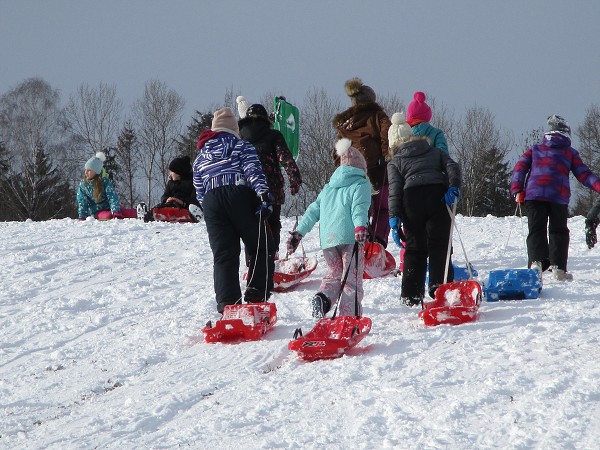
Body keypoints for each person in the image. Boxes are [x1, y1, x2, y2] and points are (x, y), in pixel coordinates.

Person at [193, 107, 275, 314]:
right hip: (239, 193)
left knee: (224, 255)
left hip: (212, 201)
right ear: (233, 129)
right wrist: (264, 196)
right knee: (261, 244)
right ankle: (257, 292)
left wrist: (211, 210)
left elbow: (199, 189)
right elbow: (252, 170)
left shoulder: (201, 156)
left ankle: (228, 304)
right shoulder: (241, 146)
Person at [287, 138, 371, 318]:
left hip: (329, 240)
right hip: (350, 238)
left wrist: (299, 232)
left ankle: (323, 298)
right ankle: (349, 317)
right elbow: (359, 208)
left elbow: (312, 211)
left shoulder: (328, 188)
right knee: (351, 279)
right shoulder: (361, 185)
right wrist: (360, 227)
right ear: (361, 168)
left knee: (334, 274)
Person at [511, 114, 600, 281]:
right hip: (557, 196)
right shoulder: (570, 153)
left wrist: (517, 189)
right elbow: (584, 175)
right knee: (558, 231)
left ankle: (536, 264)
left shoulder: (535, 149)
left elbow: (519, 168)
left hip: (534, 194)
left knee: (536, 229)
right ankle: (558, 269)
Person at [387, 124, 461, 306]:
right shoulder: (434, 150)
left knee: (414, 248)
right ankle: (440, 287)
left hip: (411, 200)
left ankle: (411, 295)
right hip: (437, 195)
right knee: (440, 244)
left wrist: (394, 216)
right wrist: (454, 186)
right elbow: (452, 165)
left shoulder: (395, 161)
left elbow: (395, 190)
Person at [333, 77, 391, 247]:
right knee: (383, 209)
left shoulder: (345, 123)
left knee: (359, 208)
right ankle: (377, 243)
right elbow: (388, 137)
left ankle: (360, 243)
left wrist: (342, 168)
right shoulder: (378, 117)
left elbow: (337, 150)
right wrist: (387, 156)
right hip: (377, 171)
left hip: (351, 173)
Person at [238, 102, 302, 254]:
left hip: (249, 188)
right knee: (273, 222)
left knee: (252, 225)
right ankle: (273, 256)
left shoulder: (241, 138)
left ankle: (252, 259)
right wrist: (294, 178)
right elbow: (285, 158)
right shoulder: (273, 135)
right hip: (272, 187)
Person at [138, 155, 202, 222]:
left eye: (172, 172)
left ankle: (196, 216)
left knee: (189, 210)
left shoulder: (191, 183)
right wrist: (167, 199)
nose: (170, 174)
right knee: (158, 208)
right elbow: (165, 195)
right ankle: (146, 216)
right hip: (170, 205)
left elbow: (194, 199)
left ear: (179, 173)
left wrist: (182, 202)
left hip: (184, 206)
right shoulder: (170, 183)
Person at [76, 152, 128, 220]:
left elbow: (112, 196)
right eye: (85, 170)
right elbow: (82, 202)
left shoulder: (104, 182)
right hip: (98, 212)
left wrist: (115, 211)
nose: (86, 172)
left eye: (89, 170)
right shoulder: (83, 185)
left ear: (96, 172)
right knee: (108, 215)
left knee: (125, 212)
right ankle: (115, 213)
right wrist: (82, 216)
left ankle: (141, 212)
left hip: (111, 207)